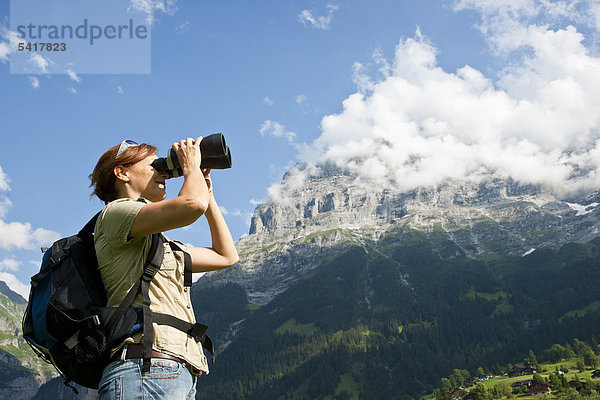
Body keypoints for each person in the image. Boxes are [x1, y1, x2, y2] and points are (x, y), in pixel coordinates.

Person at [89, 137, 239, 399]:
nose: (163, 172)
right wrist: (190, 168)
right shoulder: (114, 214)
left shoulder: (160, 244)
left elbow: (225, 255)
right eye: (153, 165)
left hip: (174, 370)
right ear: (122, 172)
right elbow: (191, 206)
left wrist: (207, 193)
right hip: (143, 369)